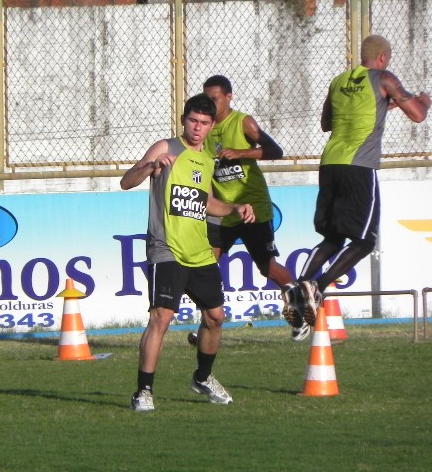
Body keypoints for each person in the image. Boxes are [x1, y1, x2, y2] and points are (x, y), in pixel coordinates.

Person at [121, 93, 255, 411]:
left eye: (204, 123)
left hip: (199, 251)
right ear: (183, 120)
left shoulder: (208, 159)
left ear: (211, 126)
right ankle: (143, 391)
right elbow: (127, 181)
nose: (197, 128)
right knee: (162, 318)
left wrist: (235, 207)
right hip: (166, 247)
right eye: (193, 120)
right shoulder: (165, 148)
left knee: (215, 317)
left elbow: (207, 203)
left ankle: (203, 377)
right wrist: (152, 166)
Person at [289, 34, 430, 326]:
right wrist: (425, 102)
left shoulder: (338, 81)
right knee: (366, 240)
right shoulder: (385, 78)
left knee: (332, 238)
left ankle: (299, 286)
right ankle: (319, 286)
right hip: (359, 167)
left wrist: (383, 107)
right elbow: (417, 115)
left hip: (330, 164)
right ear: (382, 58)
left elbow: (327, 123)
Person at [198, 75, 309, 341]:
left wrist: (241, 152)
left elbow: (275, 150)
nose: (210, 104)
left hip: (253, 209)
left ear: (228, 96)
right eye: (207, 99)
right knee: (206, 265)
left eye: (214, 99)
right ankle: (205, 326)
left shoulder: (242, 122)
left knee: (267, 268)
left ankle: (300, 308)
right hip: (225, 210)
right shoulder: (205, 127)